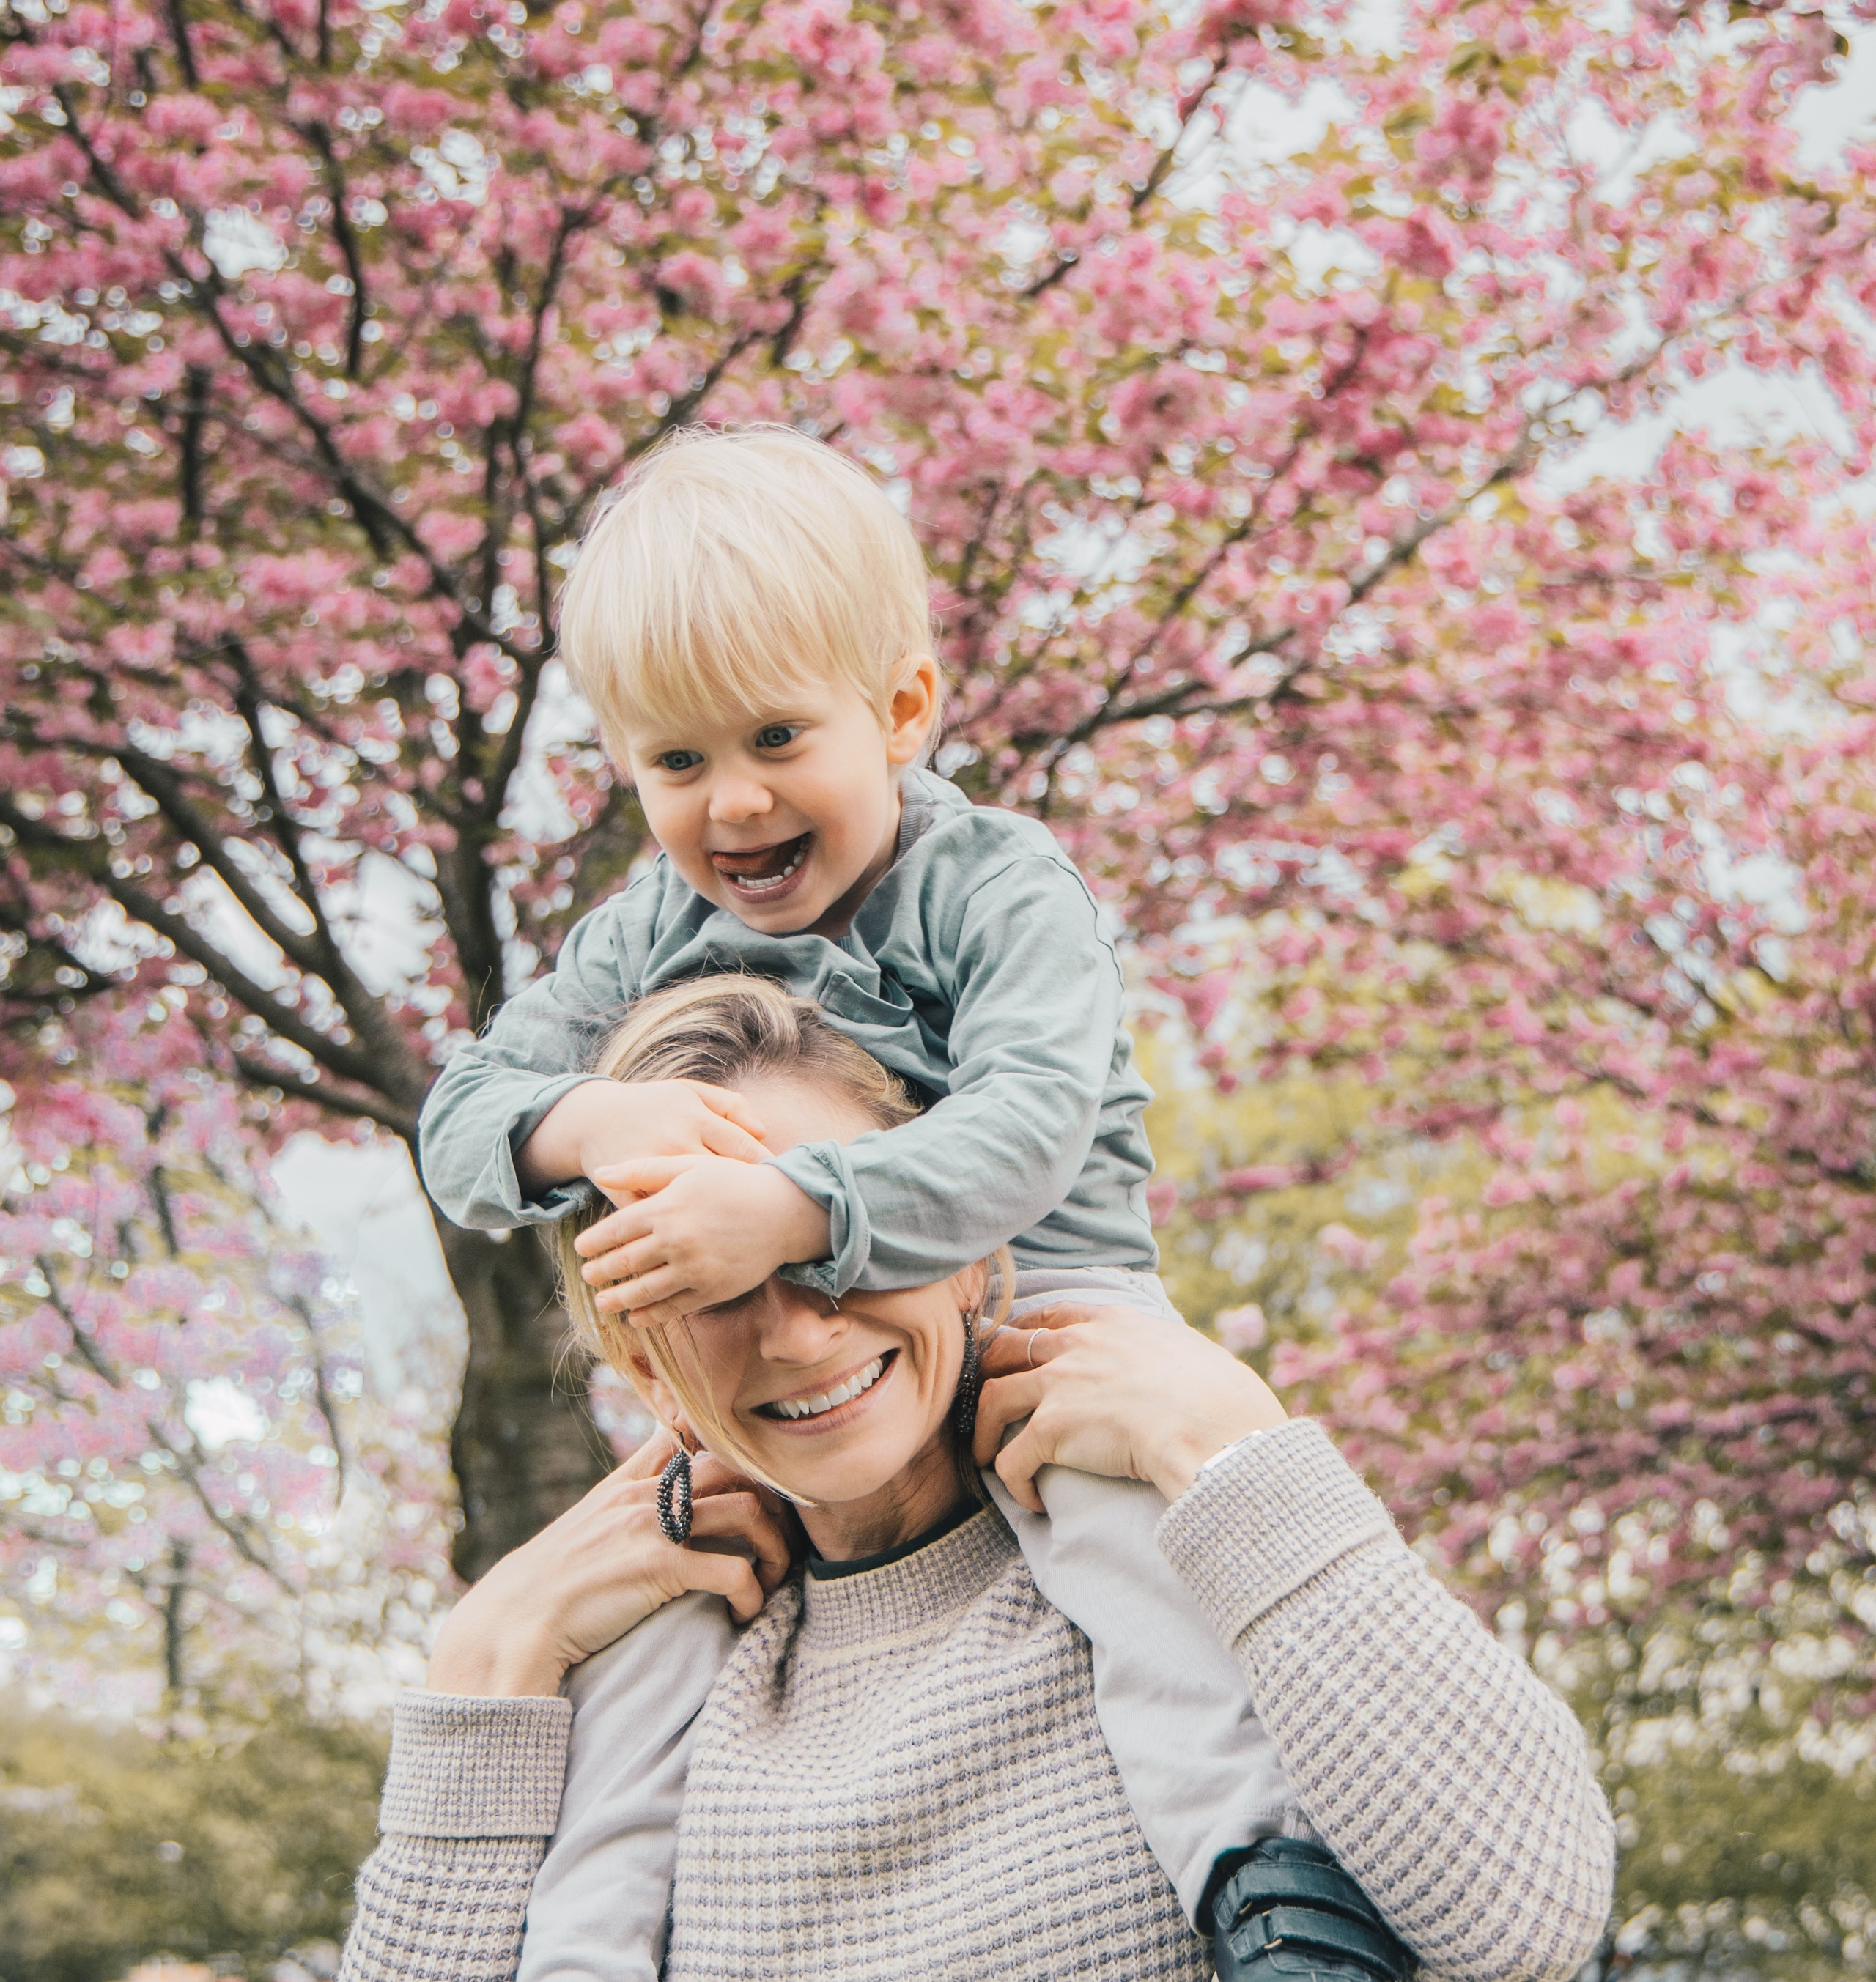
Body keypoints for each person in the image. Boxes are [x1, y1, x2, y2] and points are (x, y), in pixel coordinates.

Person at [415, 423, 1310, 1964]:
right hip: (767, 1362)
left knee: (1130, 1572)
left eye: (775, 739)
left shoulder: (994, 886)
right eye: (676, 763)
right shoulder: (644, 930)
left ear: (898, 709)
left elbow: (1031, 1123)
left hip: (1047, 1309)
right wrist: (587, 1113)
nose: (734, 808)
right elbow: (459, 1123)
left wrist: (799, 1210)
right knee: (652, 1622)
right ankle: (586, 1945)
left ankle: (1259, 1881)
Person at [348, 980, 1614, 1982]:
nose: (797, 1331)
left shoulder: (1175, 1568)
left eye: (836, 1233)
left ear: (966, 1235)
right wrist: (486, 1658)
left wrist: (1237, 1448)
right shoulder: (648, 1692)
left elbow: (1528, 1917)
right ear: (640, 1352)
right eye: (710, 1283)